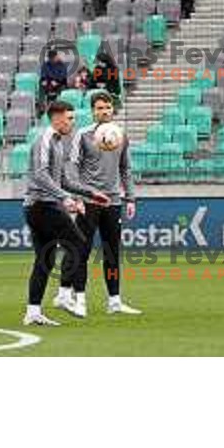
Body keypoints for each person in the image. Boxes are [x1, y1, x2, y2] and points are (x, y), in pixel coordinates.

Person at [22, 101, 111, 326]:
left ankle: (33, 311)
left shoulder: (59, 143)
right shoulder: (44, 139)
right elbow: (41, 176)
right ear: (57, 118)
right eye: (69, 118)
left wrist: (91, 193)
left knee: (45, 259)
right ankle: (63, 295)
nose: (72, 123)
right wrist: (65, 198)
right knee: (79, 244)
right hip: (42, 205)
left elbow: (64, 180)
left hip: (42, 205)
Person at [54, 91, 141, 317]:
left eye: (108, 107)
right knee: (81, 250)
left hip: (113, 202)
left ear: (113, 109)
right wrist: (75, 196)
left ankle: (114, 301)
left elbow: (125, 168)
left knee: (112, 253)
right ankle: (80, 299)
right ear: (93, 111)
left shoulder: (121, 134)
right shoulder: (82, 135)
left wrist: (130, 197)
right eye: (100, 108)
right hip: (89, 201)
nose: (104, 111)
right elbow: (72, 167)